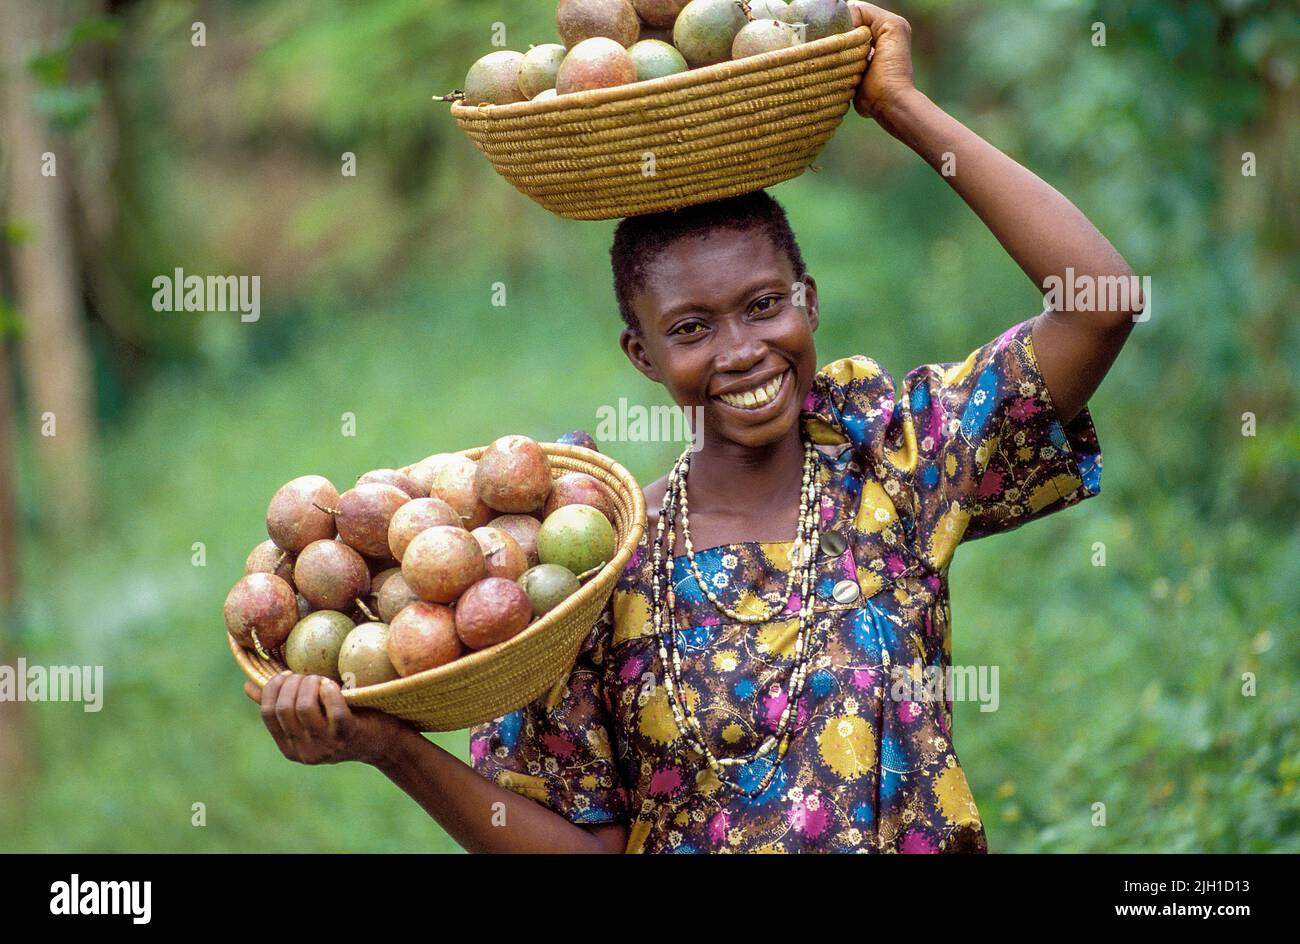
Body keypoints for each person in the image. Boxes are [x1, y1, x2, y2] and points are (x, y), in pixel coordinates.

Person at [244, 2, 1138, 853]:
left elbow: (1099, 305)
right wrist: (392, 748)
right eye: (691, 329)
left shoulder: (889, 459)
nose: (742, 351)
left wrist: (901, 107)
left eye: (763, 306)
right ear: (642, 355)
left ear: (809, 304)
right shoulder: (598, 569)